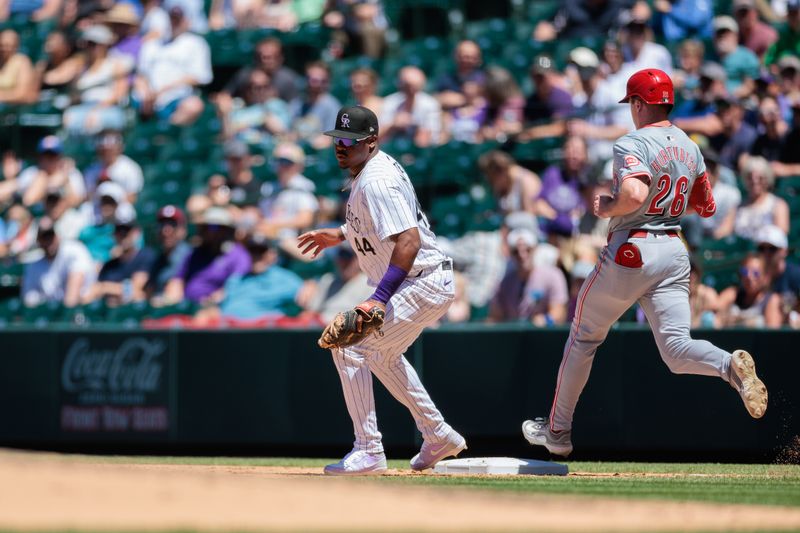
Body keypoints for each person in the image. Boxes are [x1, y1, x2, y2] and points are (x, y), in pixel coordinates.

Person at [521, 69, 769, 458]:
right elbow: (707, 206)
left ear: (639, 104)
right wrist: (668, 197)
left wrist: (609, 205)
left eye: (631, 104)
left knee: (584, 336)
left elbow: (634, 192)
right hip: (673, 249)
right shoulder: (691, 146)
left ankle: (558, 431)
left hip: (632, 248)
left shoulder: (632, 141)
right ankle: (728, 366)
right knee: (676, 348)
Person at [297, 105, 465, 475]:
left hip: (422, 280)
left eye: (350, 141)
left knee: (349, 347)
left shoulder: (376, 180)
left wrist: (378, 297)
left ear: (371, 142)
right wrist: (340, 234)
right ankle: (438, 434)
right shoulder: (370, 171)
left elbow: (409, 240)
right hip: (421, 280)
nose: (341, 147)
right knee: (381, 356)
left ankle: (369, 449)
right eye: (337, 140)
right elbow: (379, 223)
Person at [195, 230, 303, 325]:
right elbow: (219, 302)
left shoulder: (285, 278)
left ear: (271, 255)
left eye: (261, 251)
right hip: (228, 332)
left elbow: (306, 297)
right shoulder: (236, 279)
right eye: (252, 251)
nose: (256, 256)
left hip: (264, 333)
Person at [133, 6, 212, 125]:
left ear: (187, 21)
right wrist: (147, 94)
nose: (174, 23)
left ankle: (168, 131)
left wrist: (163, 90)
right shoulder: (152, 44)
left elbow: (200, 77)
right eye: (172, 19)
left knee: (193, 105)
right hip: (147, 98)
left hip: (176, 97)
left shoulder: (196, 43)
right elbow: (141, 75)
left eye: (178, 19)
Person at [161, 206, 251, 305]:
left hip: (216, 310)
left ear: (226, 230)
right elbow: (178, 280)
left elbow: (236, 286)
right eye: (205, 227)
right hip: (188, 308)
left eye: (214, 227)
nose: (208, 231)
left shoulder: (237, 255)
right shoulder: (195, 254)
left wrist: (214, 300)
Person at [489, 228, 569, 325]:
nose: (522, 255)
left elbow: (559, 312)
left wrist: (545, 320)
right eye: (516, 252)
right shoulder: (505, 282)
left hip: (544, 336)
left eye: (527, 249)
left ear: (535, 249)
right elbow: (496, 316)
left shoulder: (553, 275)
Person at [62, 25, 131, 136]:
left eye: (94, 44)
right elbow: (74, 93)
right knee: (69, 118)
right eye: (88, 44)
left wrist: (97, 109)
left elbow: (119, 94)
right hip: (83, 108)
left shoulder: (115, 65)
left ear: (104, 45)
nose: (91, 48)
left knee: (94, 121)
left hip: (108, 109)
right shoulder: (81, 67)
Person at [84, 203, 157, 305]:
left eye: (126, 230)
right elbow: (93, 292)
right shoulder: (109, 265)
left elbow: (135, 290)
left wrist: (105, 287)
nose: (122, 235)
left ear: (136, 233)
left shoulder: (146, 256)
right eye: (119, 231)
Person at [22, 217, 96, 308]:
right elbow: (29, 300)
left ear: (57, 236)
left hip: (82, 309)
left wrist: (64, 316)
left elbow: (72, 297)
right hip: (53, 313)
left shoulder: (73, 250)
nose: (48, 241)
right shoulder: (34, 266)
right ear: (38, 241)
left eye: (50, 236)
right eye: (44, 237)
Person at [380, 66, 442, 147]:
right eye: (407, 86)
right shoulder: (390, 102)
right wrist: (393, 125)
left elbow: (427, 140)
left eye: (415, 86)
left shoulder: (430, 104)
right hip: (391, 148)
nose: (411, 90)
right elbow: (378, 137)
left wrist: (415, 127)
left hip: (419, 152)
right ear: (400, 84)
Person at [717, 253, 783, 327]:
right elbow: (715, 310)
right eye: (745, 271)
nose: (749, 276)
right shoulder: (733, 293)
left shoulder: (772, 300)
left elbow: (773, 333)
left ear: (766, 277)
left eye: (755, 273)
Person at [734, 155, 789, 240]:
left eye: (760, 178)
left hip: (766, 251)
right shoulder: (738, 207)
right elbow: (724, 233)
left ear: (767, 179)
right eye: (750, 177)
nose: (755, 181)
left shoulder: (778, 205)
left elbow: (781, 236)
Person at [145, 205, 192, 299]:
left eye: (172, 224)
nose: (165, 230)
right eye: (162, 224)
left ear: (183, 230)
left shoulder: (191, 257)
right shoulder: (157, 260)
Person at [83, 130, 144, 202]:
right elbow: (88, 196)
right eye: (103, 150)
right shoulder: (91, 170)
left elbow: (132, 197)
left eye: (110, 150)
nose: (107, 153)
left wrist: (110, 205)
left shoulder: (130, 168)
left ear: (119, 148)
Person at [0, 29, 37, 105]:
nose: (3, 49)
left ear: (16, 45)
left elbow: (22, 94)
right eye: (1, 45)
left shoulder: (22, 62)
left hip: (12, 108)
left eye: (7, 45)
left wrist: (2, 96)